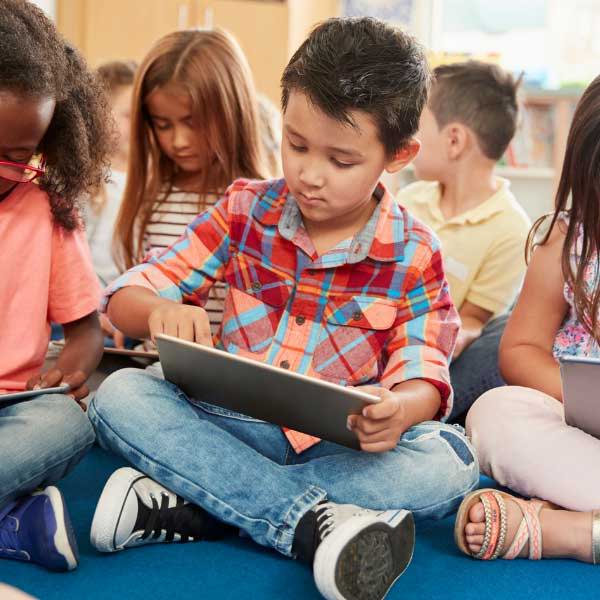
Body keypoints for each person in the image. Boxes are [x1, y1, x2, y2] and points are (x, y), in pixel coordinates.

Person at [89, 17, 478, 600]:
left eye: (341, 161)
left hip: (335, 444)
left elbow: (424, 372)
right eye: (296, 145)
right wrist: (156, 313)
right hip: (230, 425)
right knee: (121, 395)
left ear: (398, 155)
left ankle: (199, 506)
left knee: (450, 461)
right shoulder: (246, 208)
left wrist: (400, 408)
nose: (308, 175)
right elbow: (126, 296)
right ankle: (309, 525)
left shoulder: (416, 251)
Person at [455, 74, 600, 565]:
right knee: (494, 413)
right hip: (576, 428)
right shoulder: (567, 240)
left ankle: (573, 532)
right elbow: (519, 350)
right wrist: (577, 395)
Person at [0, 0, 111, 571]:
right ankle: (11, 523)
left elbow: (85, 333)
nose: (3, 168)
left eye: (19, 156)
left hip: (14, 411)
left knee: (67, 424)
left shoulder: (48, 208)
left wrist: (69, 370)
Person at [109, 28, 267, 344]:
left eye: (192, 123)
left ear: (231, 112)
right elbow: (139, 288)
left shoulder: (259, 205)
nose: (178, 141)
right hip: (157, 365)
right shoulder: (152, 197)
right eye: (163, 125)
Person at [397, 61, 530, 421]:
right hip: (386, 335)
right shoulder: (409, 199)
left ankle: (418, 418)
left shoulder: (511, 229)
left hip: (439, 360)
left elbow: (473, 320)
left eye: (415, 124)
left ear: (454, 140)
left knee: (498, 343)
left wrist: (454, 338)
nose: (404, 135)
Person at [87, 60, 137, 288]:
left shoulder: (148, 180)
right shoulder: (84, 180)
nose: (140, 126)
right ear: (99, 114)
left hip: (133, 305)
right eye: (130, 115)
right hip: (88, 310)